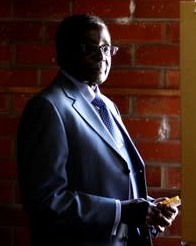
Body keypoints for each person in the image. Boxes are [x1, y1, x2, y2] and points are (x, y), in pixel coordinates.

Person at [16, 14, 179, 246]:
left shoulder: (106, 105)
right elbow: (45, 201)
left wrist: (148, 209)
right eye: (90, 48)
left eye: (106, 48)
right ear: (64, 52)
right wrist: (122, 212)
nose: (102, 57)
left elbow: (110, 182)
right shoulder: (48, 108)